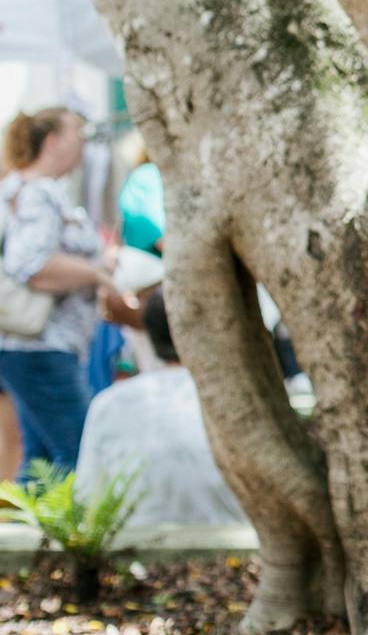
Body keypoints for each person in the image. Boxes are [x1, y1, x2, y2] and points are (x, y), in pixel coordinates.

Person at [0, 108, 131, 475]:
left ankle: (33, 533)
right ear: (53, 142)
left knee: (43, 461)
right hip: (41, 346)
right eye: (79, 134)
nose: (85, 143)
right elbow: (29, 263)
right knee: (81, 455)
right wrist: (98, 273)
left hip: (29, 347)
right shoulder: (38, 193)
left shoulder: (23, 189)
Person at [75, 292, 246, 527]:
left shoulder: (109, 403)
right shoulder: (238, 400)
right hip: (234, 544)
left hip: (131, 548)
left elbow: (86, 498)